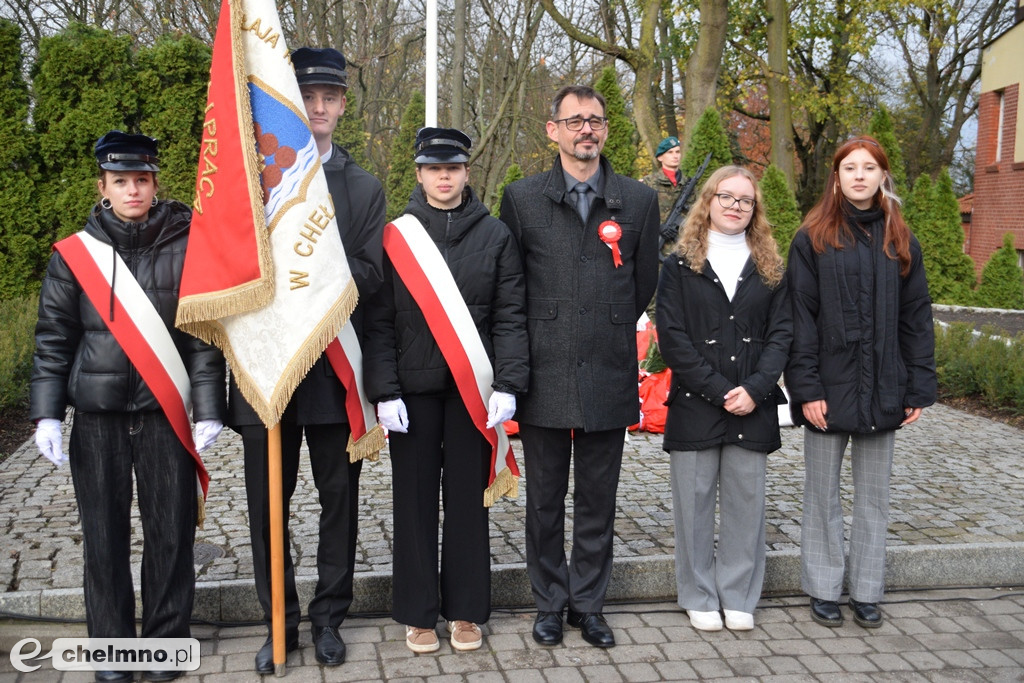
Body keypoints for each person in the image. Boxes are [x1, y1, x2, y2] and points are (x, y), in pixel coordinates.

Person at [30, 131, 226, 683]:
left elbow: (202, 338)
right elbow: (53, 339)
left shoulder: (187, 246)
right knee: (104, 537)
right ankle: (113, 650)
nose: (133, 189)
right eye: (121, 181)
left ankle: (165, 646)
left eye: (142, 180)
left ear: (155, 183)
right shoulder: (76, 256)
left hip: (166, 416)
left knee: (170, 533)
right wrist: (47, 414)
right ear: (103, 187)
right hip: (98, 418)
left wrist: (209, 406)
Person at [226, 46, 386, 673]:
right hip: (267, 374)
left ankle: (327, 618)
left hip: (332, 373)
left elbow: (373, 273)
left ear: (342, 105)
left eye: (329, 98)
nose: (318, 108)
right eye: (308, 97)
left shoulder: (364, 187)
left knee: (338, 501)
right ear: (291, 104)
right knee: (269, 508)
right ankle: (278, 623)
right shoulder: (252, 182)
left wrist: (312, 282)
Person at [499, 85, 660, 648]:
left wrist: (603, 324)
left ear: (606, 130)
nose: (585, 130)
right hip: (544, 373)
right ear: (553, 130)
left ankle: (588, 604)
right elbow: (510, 290)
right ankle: (549, 602)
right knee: (544, 501)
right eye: (574, 121)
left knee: (598, 498)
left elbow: (642, 284)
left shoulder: (638, 201)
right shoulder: (521, 199)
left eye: (594, 120)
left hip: (607, 369)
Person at [363, 127, 528, 654]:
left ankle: (465, 611)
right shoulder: (396, 238)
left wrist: (509, 382)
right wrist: (384, 390)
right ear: (418, 174)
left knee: (467, 502)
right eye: (434, 169)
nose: (443, 177)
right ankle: (416, 612)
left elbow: (509, 316)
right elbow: (379, 321)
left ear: (465, 173)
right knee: (412, 503)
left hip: (472, 393)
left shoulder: (496, 236)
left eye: (452, 168)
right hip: (411, 393)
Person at [785, 135, 936, 629]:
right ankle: (825, 587)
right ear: (836, 176)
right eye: (850, 167)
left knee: (874, 497)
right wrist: (805, 388)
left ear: (882, 176)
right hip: (826, 389)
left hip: (884, 389)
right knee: (822, 495)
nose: (858, 175)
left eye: (869, 168)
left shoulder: (900, 240)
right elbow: (799, 318)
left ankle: (867, 590)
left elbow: (916, 318)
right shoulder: (812, 237)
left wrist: (917, 386)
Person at [656, 166, 791, 632]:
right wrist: (718, 389)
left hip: (753, 405)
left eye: (745, 200)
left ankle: (738, 594)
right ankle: (696, 593)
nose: (735, 206)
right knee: (693, 505)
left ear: (755, 210)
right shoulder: (677, 266)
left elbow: (782, 335)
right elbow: (672, 339)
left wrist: (755, 390)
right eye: (726, 197)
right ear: (708, 201)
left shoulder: (772, 267)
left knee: (745, 503)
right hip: (696, 403)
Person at [641, 135, 688, 226]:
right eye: (670, 152)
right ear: (660, 157)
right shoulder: (648, 182)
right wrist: (659, 227)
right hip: (656, 236)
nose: (675, 156)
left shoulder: (687, 182)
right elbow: (642, 212)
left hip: (683, 236)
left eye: (677, 152)